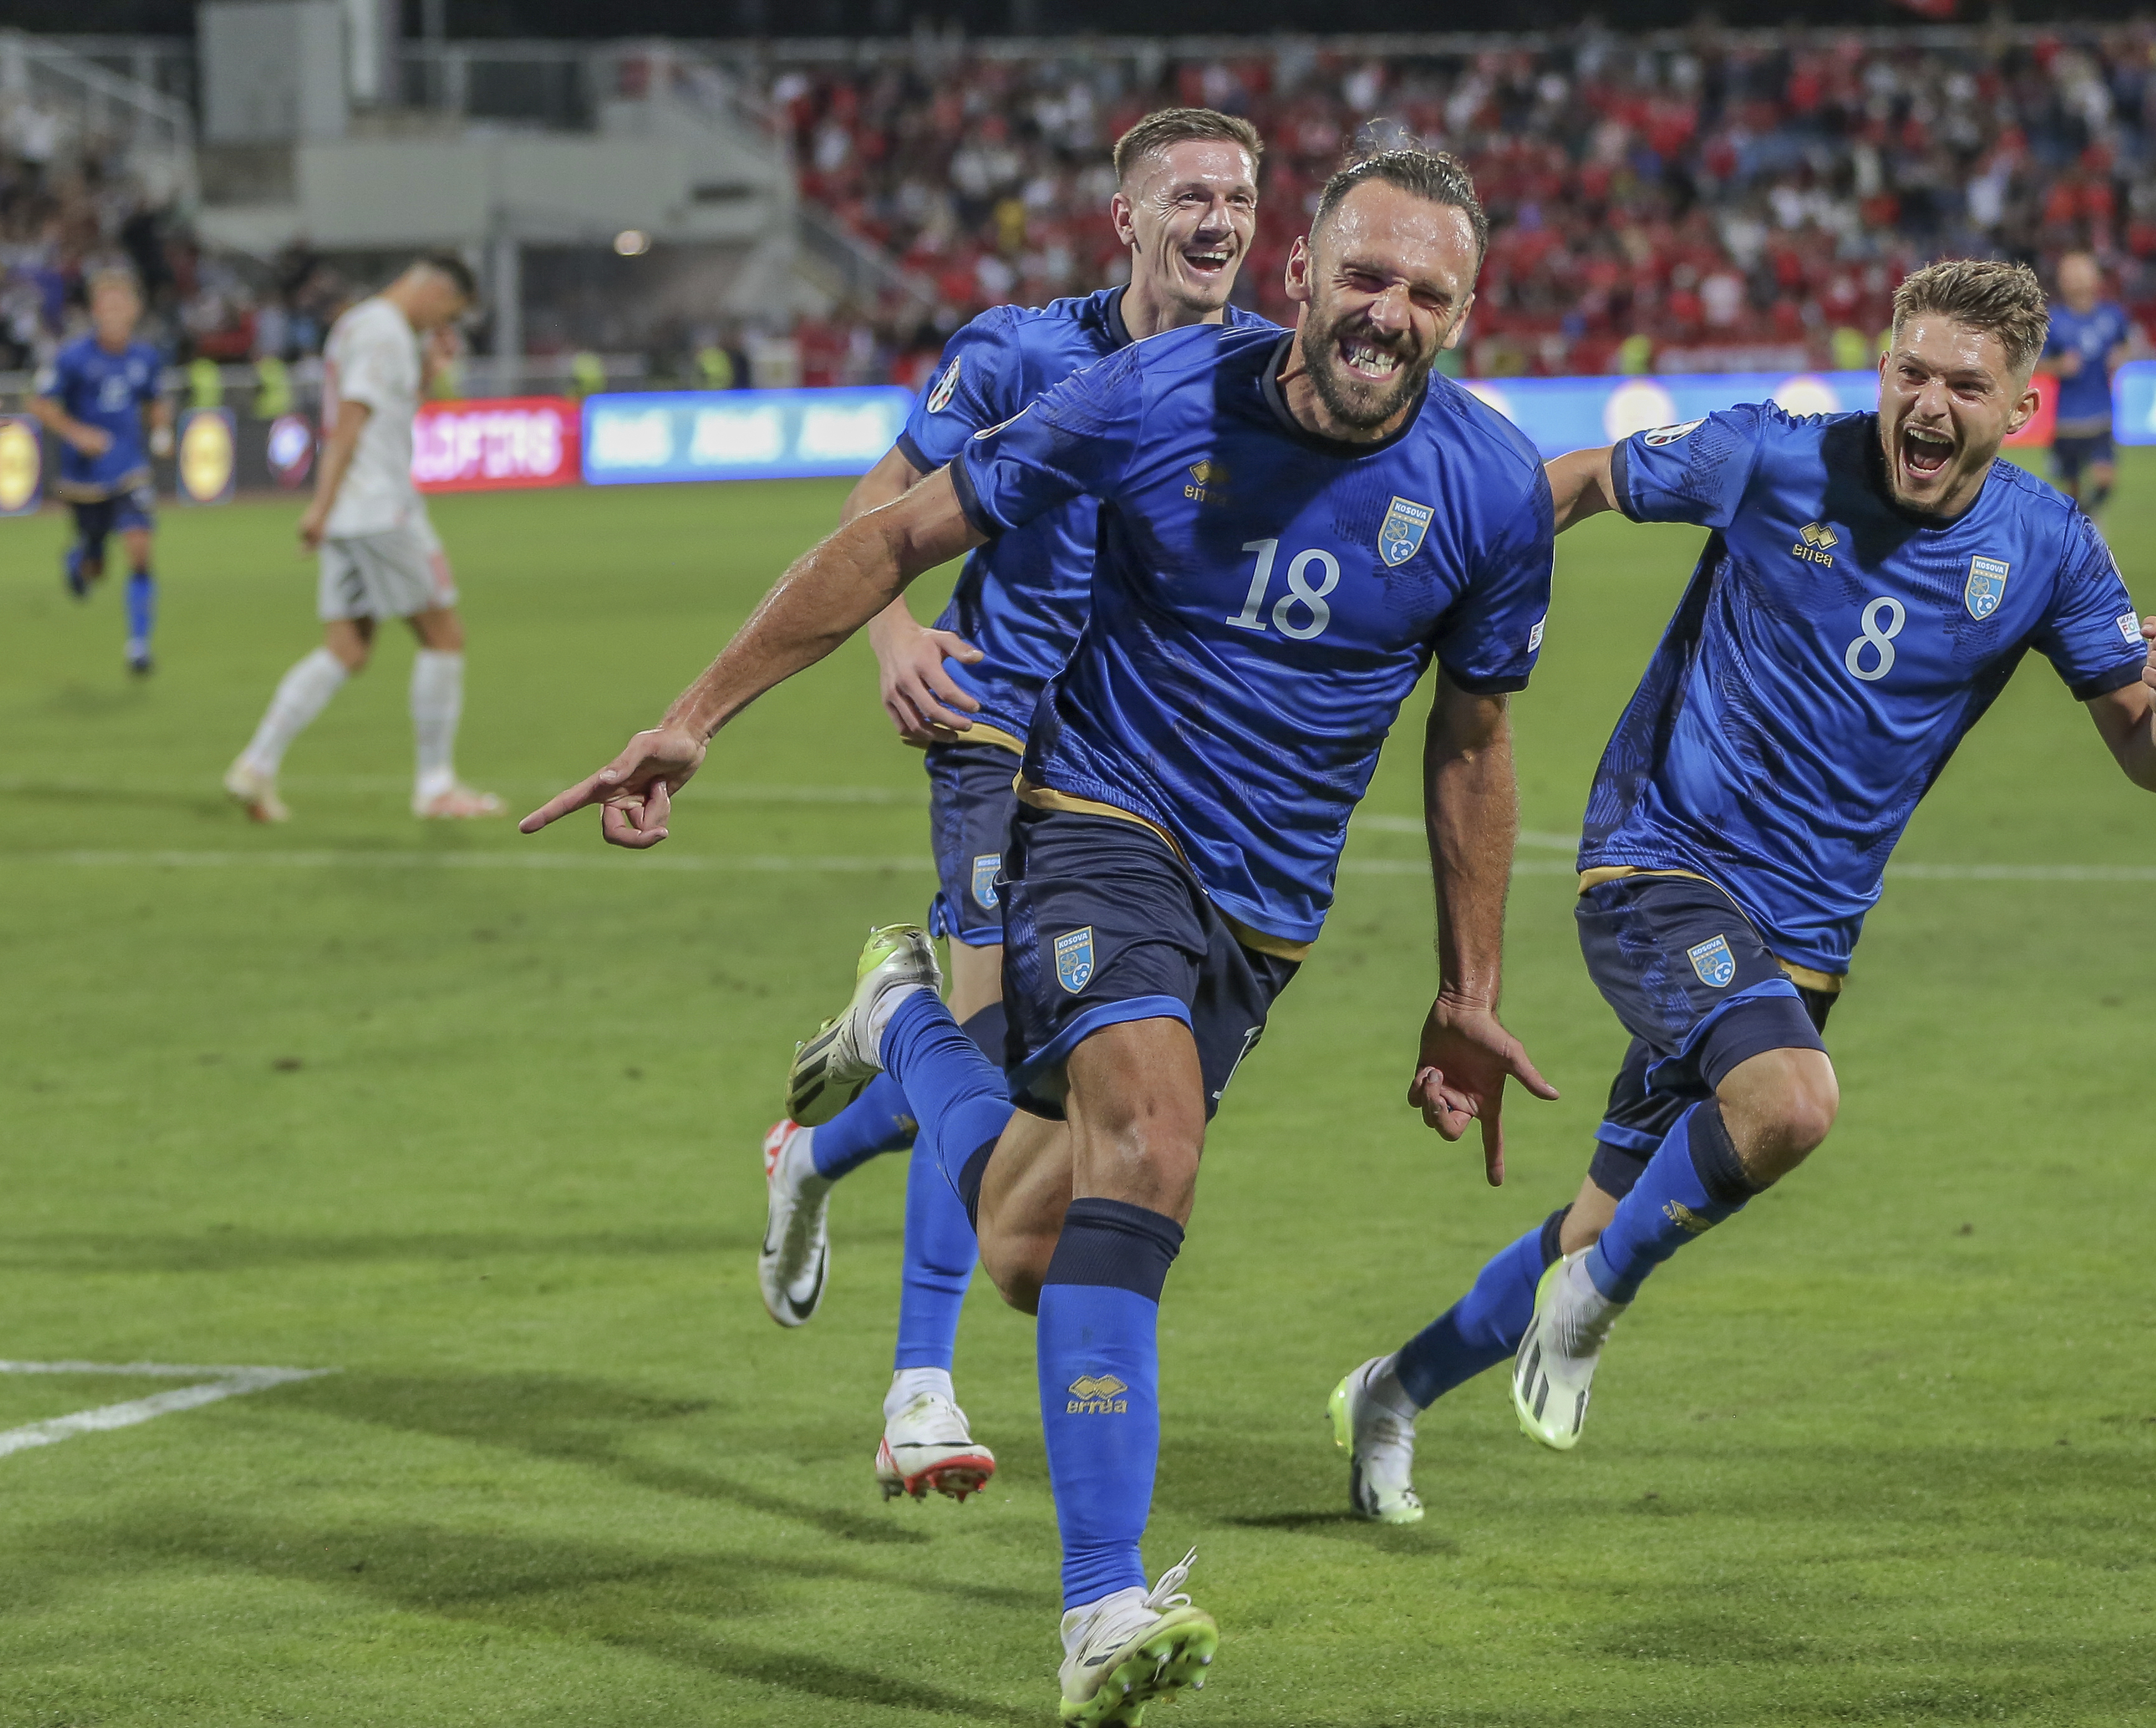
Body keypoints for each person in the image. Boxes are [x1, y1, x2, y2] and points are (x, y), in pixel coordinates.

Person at [524, 148, 1557, 1724]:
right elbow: (892, 534)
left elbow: (1470, 744)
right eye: (1362, 276)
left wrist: (1464, 992)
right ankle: (1098, 1608)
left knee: (1025, 1245)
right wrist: (691, 720)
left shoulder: (1487, 487)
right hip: (1092, 823)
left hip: (1261, 914)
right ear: (1297, 277)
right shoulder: (1143, 396)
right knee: (1146, 1145)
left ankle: (901, 1025)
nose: (1387, 314)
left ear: (1462, 313)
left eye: (1426, 293)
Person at [1329, 258, 2156, 1523]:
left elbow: (2152, 762)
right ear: (1880, 369)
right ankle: (1588, 1308)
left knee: (1595, 1217)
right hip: (1657, 866)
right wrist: (1450, 571)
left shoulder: (2046, 546)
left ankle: (1391, 1391)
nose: (1926, 402)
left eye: (1963, 385)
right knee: (1789, 1102)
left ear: (2018, 406)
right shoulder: (1766, 455)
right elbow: (1578, 480)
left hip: (1801, 937)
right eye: (1908, 370)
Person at [755, 106, 1272, 1516]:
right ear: (1126, 218)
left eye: (1234, 194)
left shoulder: (1258, 377)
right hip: (994, 731)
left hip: (1145, 780)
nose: (1214, 217)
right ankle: (919, 1390)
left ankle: (823, 1129)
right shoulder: (1020, 349)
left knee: (1021, 1094)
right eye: (1186, 194)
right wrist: (893, 636)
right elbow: (883, 492)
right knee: (998, 1066)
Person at [224, 253, 501, 825]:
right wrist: (319, 507)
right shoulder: (383, 330)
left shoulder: (360, 323)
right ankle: (436, 786)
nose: (443, 321)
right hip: (379, 509)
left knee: (346, 649)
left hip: (357, 511)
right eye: (450, 307)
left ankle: (256, 764)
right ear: (432, 289)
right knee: (444, 636)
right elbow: (351, 418)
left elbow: (382, 413)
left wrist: (427, 373)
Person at [32, 267, 171, 674]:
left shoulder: (145, 357)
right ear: (95, 310)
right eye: (105, 304)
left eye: (120, 303)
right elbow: (41, 404)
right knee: (96, 567)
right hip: (84, 477)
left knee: (140, 549)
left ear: (134, 309)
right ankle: (79, 561)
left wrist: (161, 428)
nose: (112, 311)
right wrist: (77, 433)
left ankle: (139, 646)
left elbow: (155, 400)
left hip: (129, 468)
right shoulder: (73, 357)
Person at [2040, 250, 2144, 518]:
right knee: (2070, 488)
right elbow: (2034, 364)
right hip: (2068, 421)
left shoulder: (2113, 316)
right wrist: (2059, 366)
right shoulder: (2054, 321)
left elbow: (2128, 344)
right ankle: (2079, 524)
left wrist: (2122, 356)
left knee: (2104, 481)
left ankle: (2083, 519)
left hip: (2101, 415)